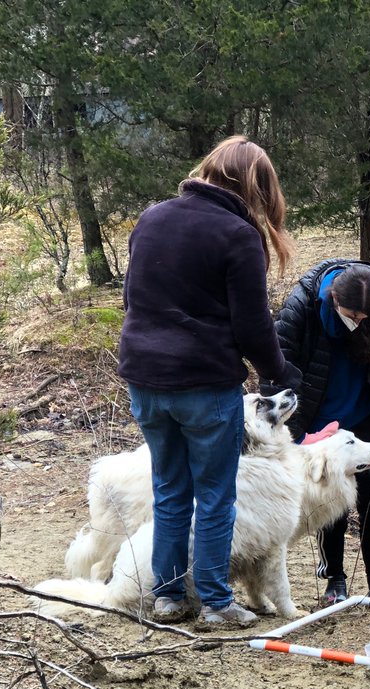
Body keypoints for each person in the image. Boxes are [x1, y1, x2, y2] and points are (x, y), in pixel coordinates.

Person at [118, 135, 302, 629]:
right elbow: (253, 326)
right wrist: (280, 373)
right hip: (203, 383)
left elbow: (131, 302)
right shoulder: (236, 234)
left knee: (170, 489)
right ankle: (218, 602)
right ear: (255, 186)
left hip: (145, 380)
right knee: (216, 494)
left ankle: (169, 596)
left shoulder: (152, 217)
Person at [265, 259, 370, 605]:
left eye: (363, 318)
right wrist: (296, 436)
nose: (358, 323)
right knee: (330, 504)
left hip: (364, 409)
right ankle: (334, 578)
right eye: (352, 316)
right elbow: (276, 370)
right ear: (333, 298)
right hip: (319, 416)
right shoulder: (302, 307)